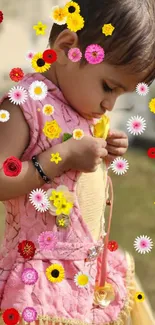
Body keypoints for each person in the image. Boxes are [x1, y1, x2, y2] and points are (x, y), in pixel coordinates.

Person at [0, 0, 155, 324]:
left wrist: (105, 150)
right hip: (40, 279)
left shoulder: (80, 106)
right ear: (68, 47)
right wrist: (62, 158)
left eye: (120, 95)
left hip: (85, 270)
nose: (109, 103)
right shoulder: (26, 104)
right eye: (108, 87)